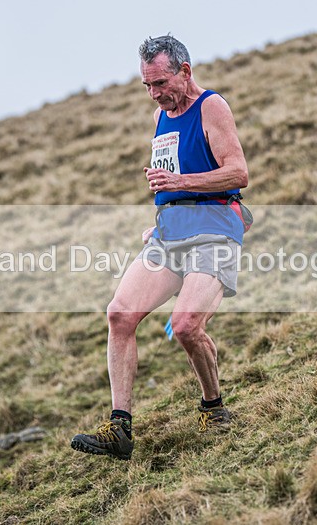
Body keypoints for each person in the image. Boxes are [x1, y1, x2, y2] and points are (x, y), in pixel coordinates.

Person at [71, 35, 249, 461]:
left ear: (185, 72)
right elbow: (170, 184)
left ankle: (214, 408)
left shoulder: (211, 107)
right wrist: (163, 218)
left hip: (215, 231)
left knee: (186, 326)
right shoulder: (160, 116)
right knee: (119, 314)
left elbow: (238, 172)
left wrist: (180, 184)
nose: (154, 93)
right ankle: (119, 429)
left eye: (160, 83)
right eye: (147, 85)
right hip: (170, 235)